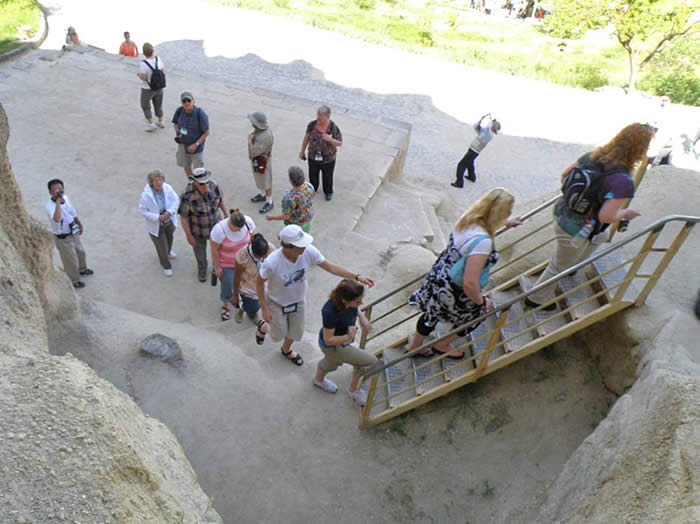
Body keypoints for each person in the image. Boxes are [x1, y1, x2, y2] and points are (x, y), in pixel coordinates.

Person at [525, 123, 655, 311]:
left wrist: (578, 200)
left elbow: (564, 176)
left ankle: (573, 266)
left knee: (599, 237)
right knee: (558, 265)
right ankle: (535, 299)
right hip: (576, 229)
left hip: (563, 212)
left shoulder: (593, 156)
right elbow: (606, 217)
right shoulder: (622, 180)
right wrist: (626, 214)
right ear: (641, 150)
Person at [407, 188, 522, 358]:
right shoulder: (483, 243)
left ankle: (414, 347)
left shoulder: (468, 219)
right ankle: (443, 345)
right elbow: (469, 282)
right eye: (506, 213)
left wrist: (505, 222)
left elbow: (482, 226)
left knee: (431, 313)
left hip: (440, 276)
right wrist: (481, 301)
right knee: (476, 316)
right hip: (456, 289)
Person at [256, 224, 375, 366]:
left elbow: (331, 267)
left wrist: (356, 276)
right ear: (289, 247)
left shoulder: (308, 251)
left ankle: (286, 350)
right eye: (300, 245)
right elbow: (259, 283)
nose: (305, 246)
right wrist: (264, 309)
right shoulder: (272, 263)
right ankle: (263, 327)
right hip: (276, 302)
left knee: (296, 333)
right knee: (278, 335)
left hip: (298, 301)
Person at [313, 279, 378, 406]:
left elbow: (355, 309)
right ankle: (352, 391)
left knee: (331, 362)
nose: (361, 303)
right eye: (358, 301)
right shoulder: (329, 311)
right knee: (371, 362)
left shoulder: (347, 302)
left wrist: (362, 317)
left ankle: (318, 380)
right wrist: (349, 337)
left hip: (338, 345)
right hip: (333, 346)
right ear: (344, 300)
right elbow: (329, 339)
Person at [177, 168, 228, 282]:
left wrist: (226, 215)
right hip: (198, 231)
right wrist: (188, 235)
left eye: (206, 182)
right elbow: (184, 217)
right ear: (194, 182)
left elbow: (220, 201)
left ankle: (217, 267)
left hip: (216, 227)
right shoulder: (187, 196)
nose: (205, 186)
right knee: (200, 253)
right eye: (201, 184)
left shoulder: (214, 186)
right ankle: (202, 269)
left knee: (219, 250)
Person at [45, 179, 93, 289]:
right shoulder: (49, 206)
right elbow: (57, 219)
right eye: (56, 190)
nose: (59, 192)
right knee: (70, 260)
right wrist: (57, 203)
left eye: (61, 189)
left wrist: (79, 223)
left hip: (73, 231)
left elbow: (72, 212)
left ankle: (82, 269)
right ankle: (74, 281)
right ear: (50, 192)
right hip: (63, 238)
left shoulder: (66, 198)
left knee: (80, 251)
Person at [210, 210, 255, 321]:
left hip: (244, 261)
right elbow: (214, 250)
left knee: (247, 283)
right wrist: (217, 267)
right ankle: (225, 305)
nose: (240, 230)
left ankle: (243, 300)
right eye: (237, 228)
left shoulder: (248, 223)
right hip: (227, 264)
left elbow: (251, 240)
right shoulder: (219, 230)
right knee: (228, 285)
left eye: (241, 228)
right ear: (230, 222)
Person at [232, 233, 274, 340]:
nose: (264, 258)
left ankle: (245, 308)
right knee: (252, 307)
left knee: (261, 304)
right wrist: (235, 295)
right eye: (261, 257)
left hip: (266, 286)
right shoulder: (242, 256)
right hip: (249, 289)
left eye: (265, 256)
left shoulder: (271, 249)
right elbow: (237, 276)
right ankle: (246, 311)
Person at [138, 169, 179, 276]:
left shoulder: (168, 188)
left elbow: (176, 200)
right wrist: (157, 217)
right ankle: (166, 265)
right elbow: (142, 210)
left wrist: (169, 212)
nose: (159, 182)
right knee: (161, 247)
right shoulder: (146, 195)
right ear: (151, 182)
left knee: (170, 239)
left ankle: (168, 252)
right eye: (156, 180)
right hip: (156, 224)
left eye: (160, 180)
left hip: (168, 220)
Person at [298, 105, 343, 201]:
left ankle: (328, 192)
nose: (318, 118)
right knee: (313, 176)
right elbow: (307, 137)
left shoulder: (333, 127)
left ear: (327, 116)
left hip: (328, 159)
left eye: (321, 116)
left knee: (327, 177)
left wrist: (331, 139)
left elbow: (339, 143)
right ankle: (312, 190)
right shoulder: (312, 125)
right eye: (317, 115)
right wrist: (302, 151)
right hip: (313, 157)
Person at [452, 113, 501, 187]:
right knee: (470, 163)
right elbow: (476, 127)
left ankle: (459, 182)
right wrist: (481, 120)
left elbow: (488, 127)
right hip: (474, 150)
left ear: (494, 127)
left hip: (473, 151)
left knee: (461, 165)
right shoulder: (486, 132)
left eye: (494, 124)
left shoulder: (489, 134)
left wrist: (490, 119)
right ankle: (472, 177)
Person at [265, 166, 315, 232]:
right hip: (308, 218)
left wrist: (272, 217)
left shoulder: (288, 199)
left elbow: (286, 216)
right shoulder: (309, 186)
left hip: (296, 224)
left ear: (291, 181)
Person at [172, 91, 209, 178]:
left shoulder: (200, 114)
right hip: (183, 145)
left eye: (189, 100)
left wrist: (196, 145)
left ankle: (199, 186)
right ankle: (191, 183)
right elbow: (175, 123)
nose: (186, 103)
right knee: (186, 166)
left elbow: (206, 132)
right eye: (184, 101)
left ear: (193, 101)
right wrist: (178, 133)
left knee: (198, 170)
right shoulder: (179, 111)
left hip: (196, 148)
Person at [247, 112, 275, 214]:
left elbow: (253, 152)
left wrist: (250, 141)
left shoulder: (265, 136)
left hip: (263, 160)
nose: (252, 124)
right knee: (259, 178)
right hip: (258, 160)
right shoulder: (259, 131)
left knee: (266, 181)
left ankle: (269, 201)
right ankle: (262, 195)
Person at [137, 43, 166, 132]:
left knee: (145, 105)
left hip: (147, 89)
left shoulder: (143, 64)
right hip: (159, 87)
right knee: (158, 104)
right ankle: (160, 121)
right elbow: (163, 71)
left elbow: (144, 77)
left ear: (144, 53)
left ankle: (151, 124)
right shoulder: (158, 59)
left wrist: (138, 75)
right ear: (153, 51)